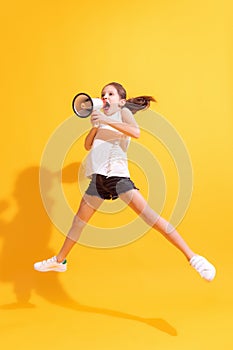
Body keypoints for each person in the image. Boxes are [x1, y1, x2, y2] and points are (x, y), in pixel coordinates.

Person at [34, 82, 216, 281]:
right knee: (78, 221)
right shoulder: (102, 119)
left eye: (110, 94)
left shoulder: (123, 114)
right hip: (98, 180)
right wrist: (95, 126)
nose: (105, 96)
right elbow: (87, 146)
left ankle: (194, 258)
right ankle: (60, 261)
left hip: (117, 178)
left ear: (121, 101)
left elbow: (136, 132)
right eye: (103, 94)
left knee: (151, 218)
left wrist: (106, 119)